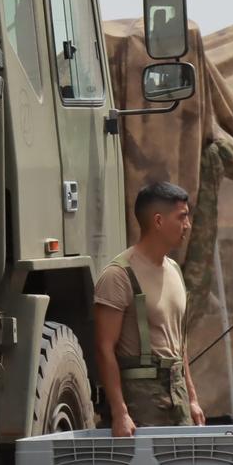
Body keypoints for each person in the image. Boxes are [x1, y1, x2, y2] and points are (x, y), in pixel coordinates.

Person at [92, 181, 207, 437]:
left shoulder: (175, 270)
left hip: (177, 397)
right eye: (182, 217)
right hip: (141, 403)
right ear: (158, 221)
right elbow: (104, 349)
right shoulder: (119, 275)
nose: (187, 225)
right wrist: (120, 412)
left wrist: (191, 397)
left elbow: (180, 345)